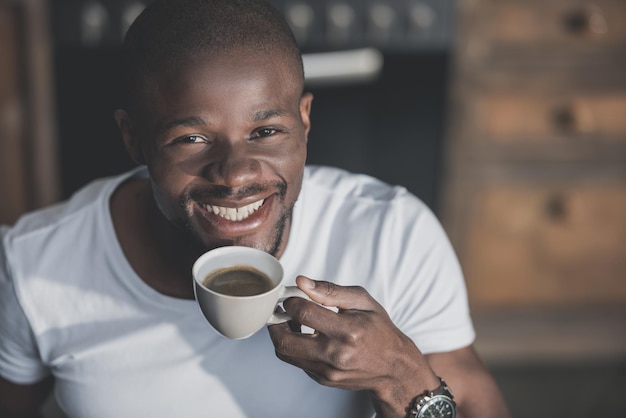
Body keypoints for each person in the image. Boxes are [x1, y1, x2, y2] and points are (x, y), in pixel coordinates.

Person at [0, 0, 512, 417]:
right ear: (134, 139)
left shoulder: (391, 233)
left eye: (265, 131)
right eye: (192, 137)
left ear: (305, 120)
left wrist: (403, 377)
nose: (237, 175)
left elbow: (470, 399)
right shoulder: (35, 266)